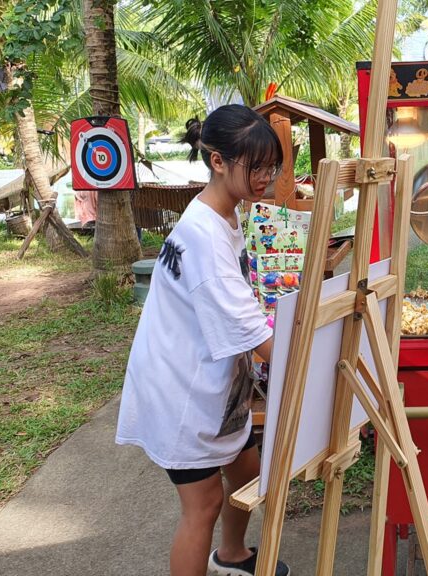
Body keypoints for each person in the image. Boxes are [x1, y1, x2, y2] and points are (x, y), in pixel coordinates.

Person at [115, 104, 289, 576]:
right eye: (256, 167)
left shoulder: (221, 212)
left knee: (247, 472)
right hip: (180, 391)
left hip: (208, 380)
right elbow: (257, 337)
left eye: (271, 167)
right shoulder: (204, 236)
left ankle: (231, 556)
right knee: (203, 504)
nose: (265, 177)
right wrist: (321, 366)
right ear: (218, 161)